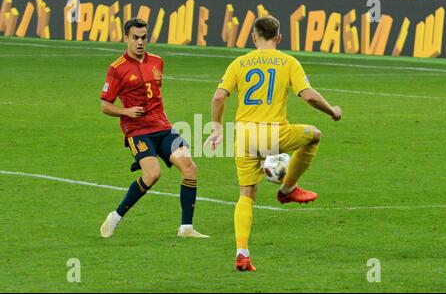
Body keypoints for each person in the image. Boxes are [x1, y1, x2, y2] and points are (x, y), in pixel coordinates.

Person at [206, 16, 342, 271]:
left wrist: (216, 129)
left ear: (253, 37)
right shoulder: (288, 62)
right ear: (279, 38)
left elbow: (218, 97)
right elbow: (309, 96)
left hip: (244, 136)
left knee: (246, 194)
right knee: (314, 134)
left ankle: (242, 253)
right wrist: (332, 111)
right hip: (273, 134)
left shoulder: (239, 62)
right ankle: (288, 189)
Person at [99, 18, 209, 239]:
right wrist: (126, 112)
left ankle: (186, 228)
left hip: (163, 127)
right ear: (126, 38)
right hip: (137, 131)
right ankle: (116, 216)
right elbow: (105, 105)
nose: (140, 42)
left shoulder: (157, 61)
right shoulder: (117, 69)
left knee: (189, 167)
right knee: (153, 173)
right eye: (135, 38)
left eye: (143, 37)